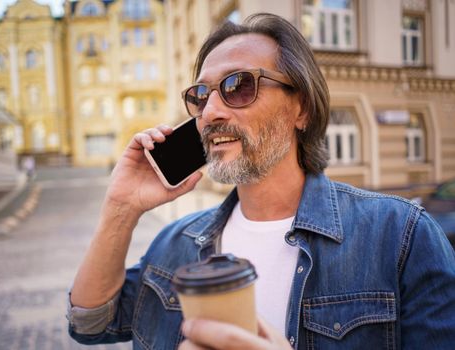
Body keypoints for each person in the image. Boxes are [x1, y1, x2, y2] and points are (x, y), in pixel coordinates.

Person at [67, 13, 455, 349]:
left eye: (238, 86)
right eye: (200, 95)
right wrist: (121, 207)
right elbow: (89, 324)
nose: (211, 112)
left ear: (300, 108)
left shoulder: (400, 238)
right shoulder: (175, 244)